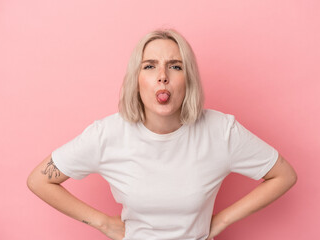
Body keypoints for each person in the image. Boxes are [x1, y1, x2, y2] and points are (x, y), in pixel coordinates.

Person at [27, 29, 297, 240]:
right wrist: (102, 222)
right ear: (136, 80)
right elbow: (39, 180)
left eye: (175, 66)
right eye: (150, 66)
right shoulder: (107, 134)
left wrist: (222, 220)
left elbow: (284, 175)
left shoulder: (221, 131)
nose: (162, 76)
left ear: (188, 80)